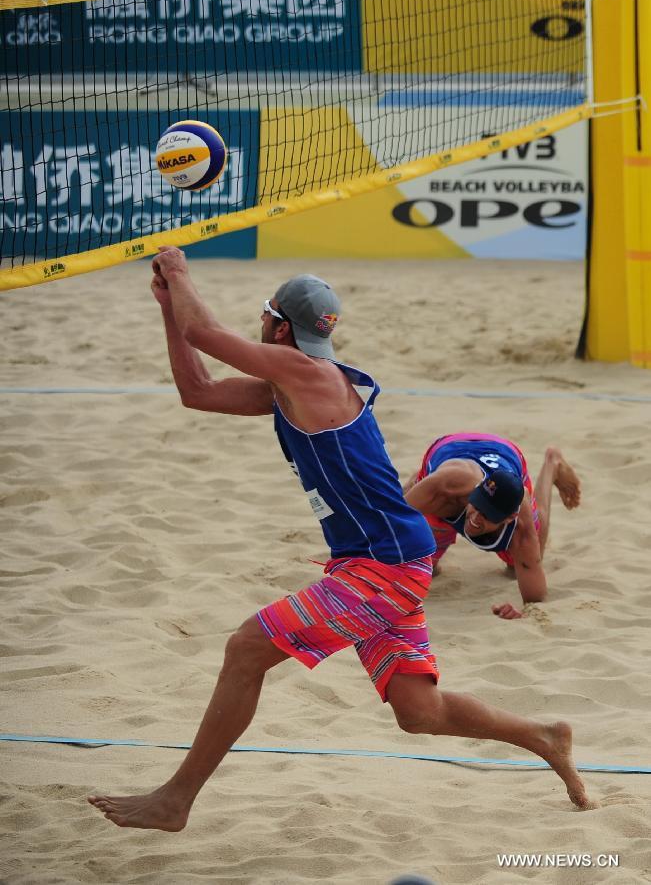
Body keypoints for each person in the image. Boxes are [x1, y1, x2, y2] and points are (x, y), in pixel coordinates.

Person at [88, 248, 592, 830]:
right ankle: (545, 736)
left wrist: (178, 271)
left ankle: (175, 800)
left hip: (384, 564)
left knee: (246, 649)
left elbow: (204, 330)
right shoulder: (290, 383)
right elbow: (197, 390)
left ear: (278, 326)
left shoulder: (306, 374)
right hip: (384, 558)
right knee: (420, 712)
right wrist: (167, 307)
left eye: (265, 318)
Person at [403, 433, 581, 619]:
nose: (475, 518)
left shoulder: (520, 524)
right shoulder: (446, 489)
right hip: (450, 455)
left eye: (487, 515)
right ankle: (417, 482)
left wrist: (520, 613)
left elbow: (535, 599)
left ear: (510, 517)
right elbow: (387, 521)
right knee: (424, 568)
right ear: (478, 490)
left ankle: (553, 462)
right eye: (477, 505)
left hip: (506, 454)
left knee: (520, 565)